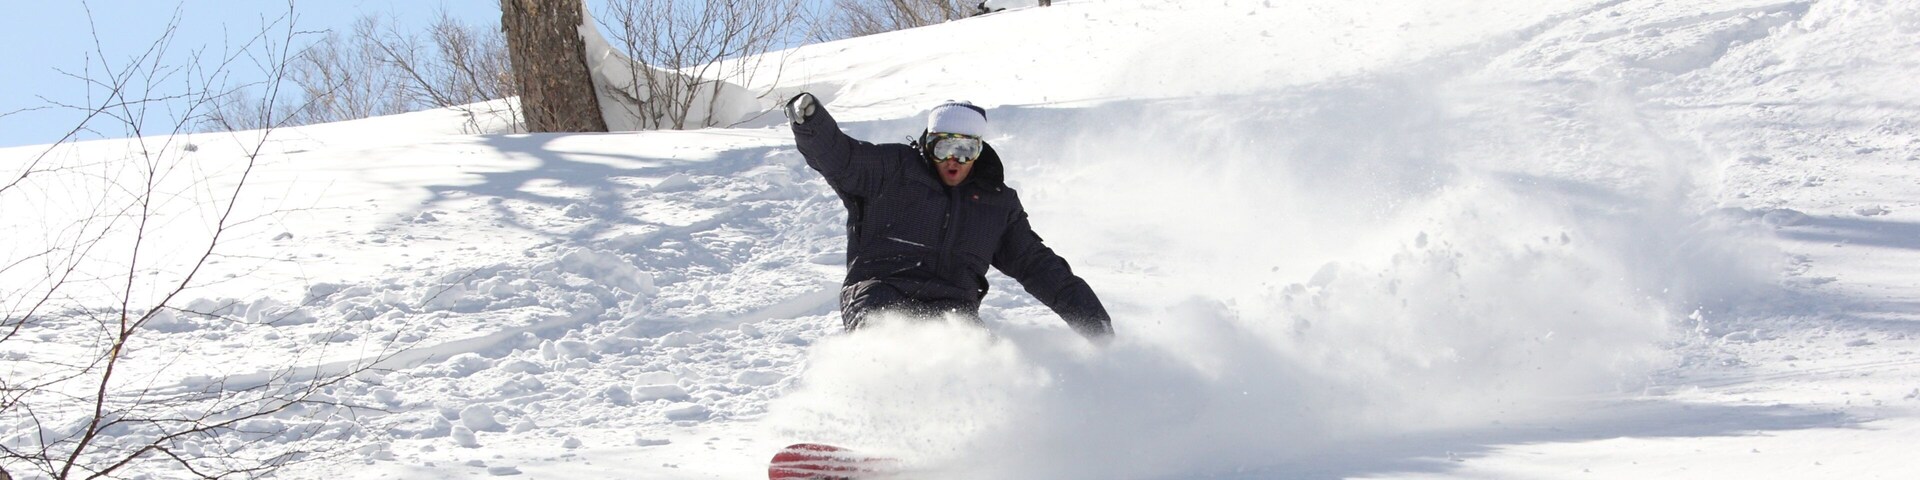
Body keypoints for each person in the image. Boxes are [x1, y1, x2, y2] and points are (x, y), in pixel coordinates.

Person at [784, 92, 1113, 340]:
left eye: (966, 150)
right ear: (928, 145)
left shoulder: (995, 204)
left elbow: (1038, 266)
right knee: (887, 341)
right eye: (943, 148)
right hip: (880, 290)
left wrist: (1094, 324)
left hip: (953, 306)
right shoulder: (891, 170)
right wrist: (810, 122)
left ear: (979, 152)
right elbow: (841, 157)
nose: (954, 160)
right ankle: (868, 415)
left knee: (981, 359)